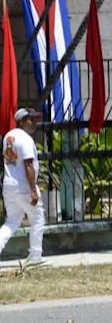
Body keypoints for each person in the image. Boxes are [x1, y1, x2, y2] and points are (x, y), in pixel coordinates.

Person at [0, 108, 48, 267]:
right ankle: (35, 256)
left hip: (9, 185)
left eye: (35, 119)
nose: (34, 122)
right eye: (31, 119)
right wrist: (33, 190)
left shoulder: (8, 136)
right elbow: (28, 165)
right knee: (38, 217)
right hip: (23, 186)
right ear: (21, 121)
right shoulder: (26, 139)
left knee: (12, 221)